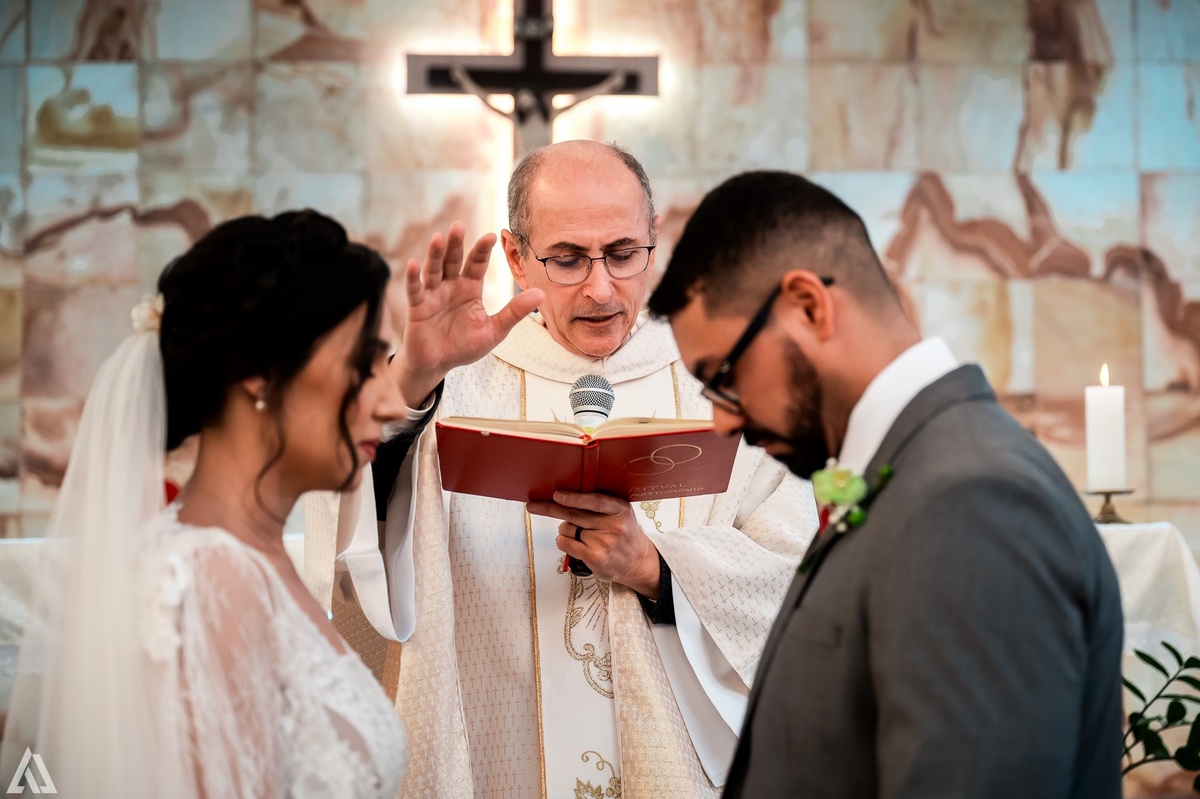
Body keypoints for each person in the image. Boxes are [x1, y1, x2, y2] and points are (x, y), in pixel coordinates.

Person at [308, 140, 819, 797]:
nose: (600, 286)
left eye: (622, 253)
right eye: (569, 258)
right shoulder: (452, 381)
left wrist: (658, 569)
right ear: (517, 256)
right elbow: (354, 534)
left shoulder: (725, 384)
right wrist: (413, 376)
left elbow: (793, 578)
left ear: (654, 240)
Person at [0, 211, 519, 798]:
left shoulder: (252, 564)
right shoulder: (208, 580)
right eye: (362, 363)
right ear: (260, 376)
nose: (384, 399)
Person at [646, 170, 1125, 798]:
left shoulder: (970, 503)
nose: (723, 419)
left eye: (725, 376)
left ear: (810, 307)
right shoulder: (911, 473)